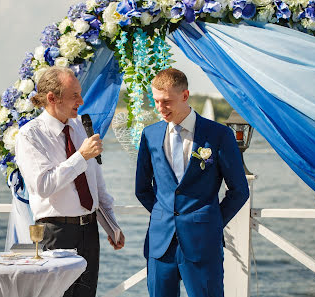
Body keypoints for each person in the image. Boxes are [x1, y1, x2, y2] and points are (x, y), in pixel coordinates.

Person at [135, 68, 250, 297]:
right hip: (161, 244)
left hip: (203, 242)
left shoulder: (219, 135)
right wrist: (166, 213)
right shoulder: (150, 134)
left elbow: (239, 190)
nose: (160, 108)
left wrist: (211, 220)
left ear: (185, 96)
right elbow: (142, 188)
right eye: (156, 101)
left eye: (167, 101)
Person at [15, 66, 125, 297]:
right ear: (52, 98)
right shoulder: (30, 135)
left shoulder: (79, 129)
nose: (81, 100)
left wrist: (111, 225)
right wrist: (81, 156)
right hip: (56, 233)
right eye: (74, 94)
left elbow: (95, 184)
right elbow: (42, 186)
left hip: (89, 231)